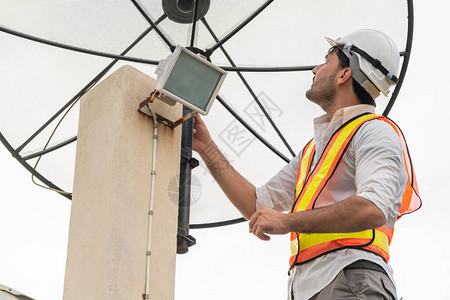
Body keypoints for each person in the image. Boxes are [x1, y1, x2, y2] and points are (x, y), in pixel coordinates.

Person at [192, 29, 421, 300]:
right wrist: (207, 148)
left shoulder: (374, 132)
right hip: (312, 287)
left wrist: (287, 221)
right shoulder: (314, 150)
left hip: (350, 277)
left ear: (343, 74)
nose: (315, 69)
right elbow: (256, 206)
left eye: (325, 61)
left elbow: (373, 207)